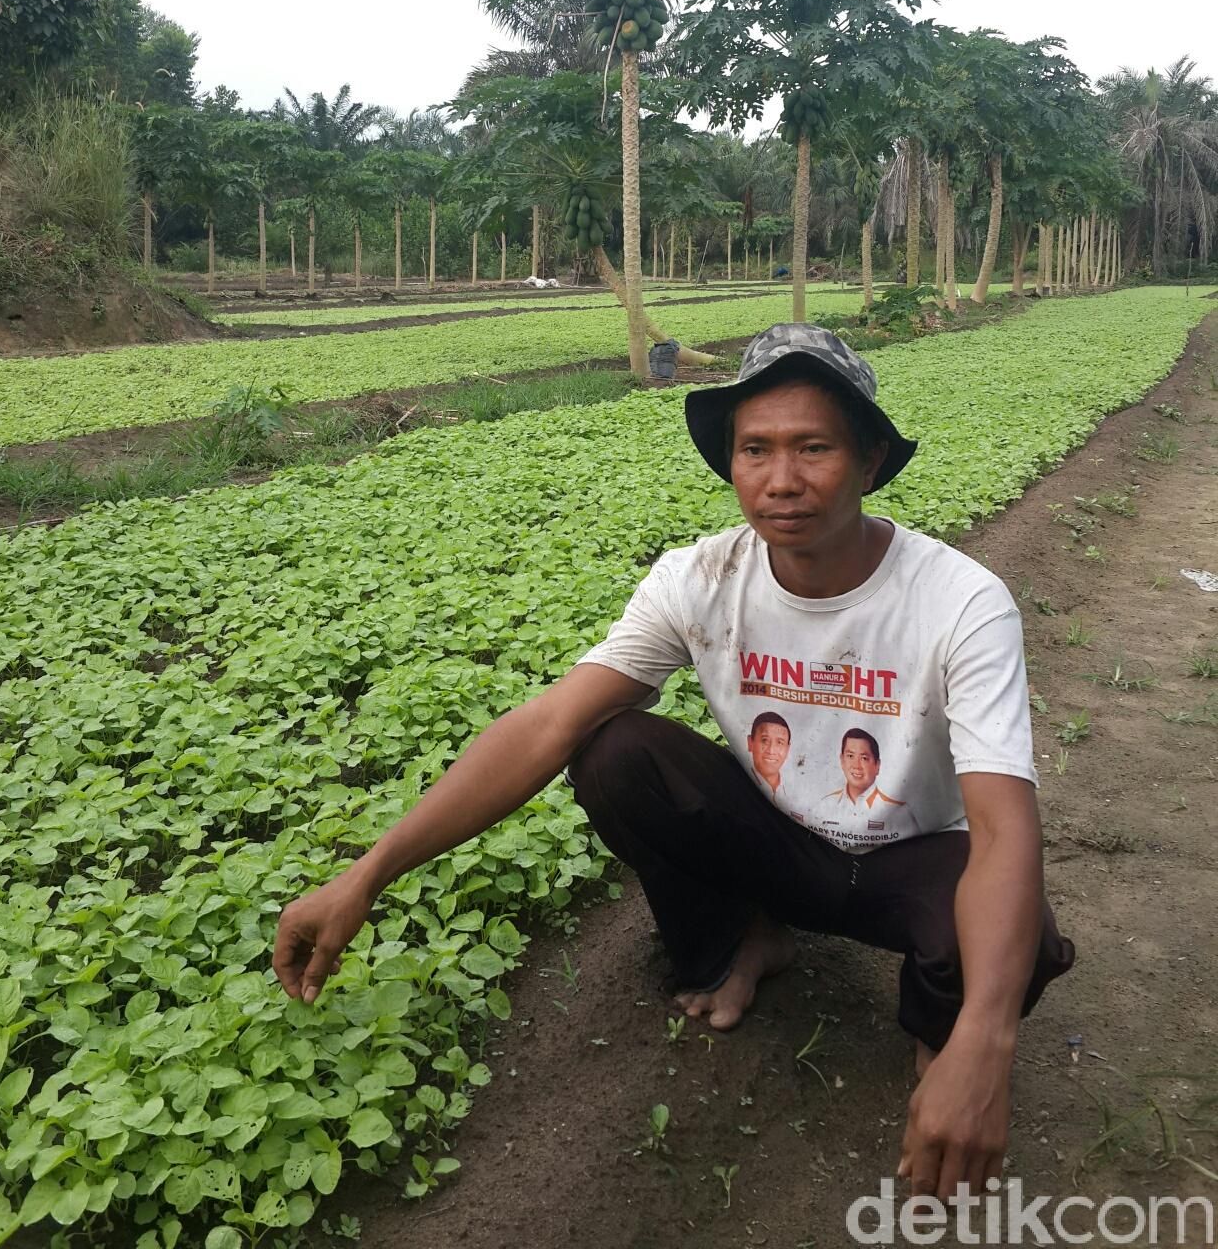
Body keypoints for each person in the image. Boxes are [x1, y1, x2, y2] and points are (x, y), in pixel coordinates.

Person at [272, 322, 1074, 1203]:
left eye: (814, 447)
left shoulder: (958, 600)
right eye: (755, 450)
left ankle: (939, 1030)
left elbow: (1003, 829)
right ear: (729, 465)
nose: (781, 480)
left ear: (872, 458)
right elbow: (545, 726)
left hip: (915, 858)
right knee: (615, 751)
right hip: (782, 838)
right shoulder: (699, 579)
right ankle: (743, 940)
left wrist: (985, 1043)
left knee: (1016, 932)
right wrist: (368, 875)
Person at [811, 726, 918, 843]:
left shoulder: (899, 812)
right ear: (842, 760)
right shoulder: (825, 805)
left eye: (864, 758)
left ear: (877, 765)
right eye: (850, 756)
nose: (856, 765)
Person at [747, 710, 792, 797]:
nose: (771, 750)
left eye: (779, 742)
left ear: (787, 749)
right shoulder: (736, 778)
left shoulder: (794, 789)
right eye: (765, 740)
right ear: (750, 743)